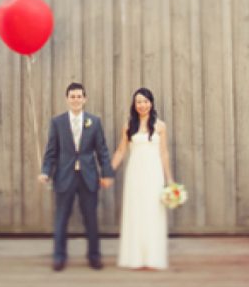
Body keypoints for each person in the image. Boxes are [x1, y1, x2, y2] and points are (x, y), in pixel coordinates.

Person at [39, 82, 115, 271]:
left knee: (91, 219)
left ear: (84, 99)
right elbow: (51, 151)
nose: (76, 99)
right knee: (61, 218)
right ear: (67, 99)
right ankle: (59, 257)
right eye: (72, 96)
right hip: (64, 177)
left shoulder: (94, 122)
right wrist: (45, 171)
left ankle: (94, 256)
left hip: (88, 177)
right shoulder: (57, 122)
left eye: (79, 96)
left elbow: (102, 151)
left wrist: (106, 173)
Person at [111, 87, 175, 270]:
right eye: (139, 101)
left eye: (145, 101)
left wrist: (169, 179)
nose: (142, 105)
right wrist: (108, 171)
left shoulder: (160, 126)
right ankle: (135, 257)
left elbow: (164, 153)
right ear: (134, 104)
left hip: (154, 173)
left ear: (151, 103)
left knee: (153, 211)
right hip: (135, 173)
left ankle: (153, 257)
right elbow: (121, 151)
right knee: (136, 211)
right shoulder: (128, 125)